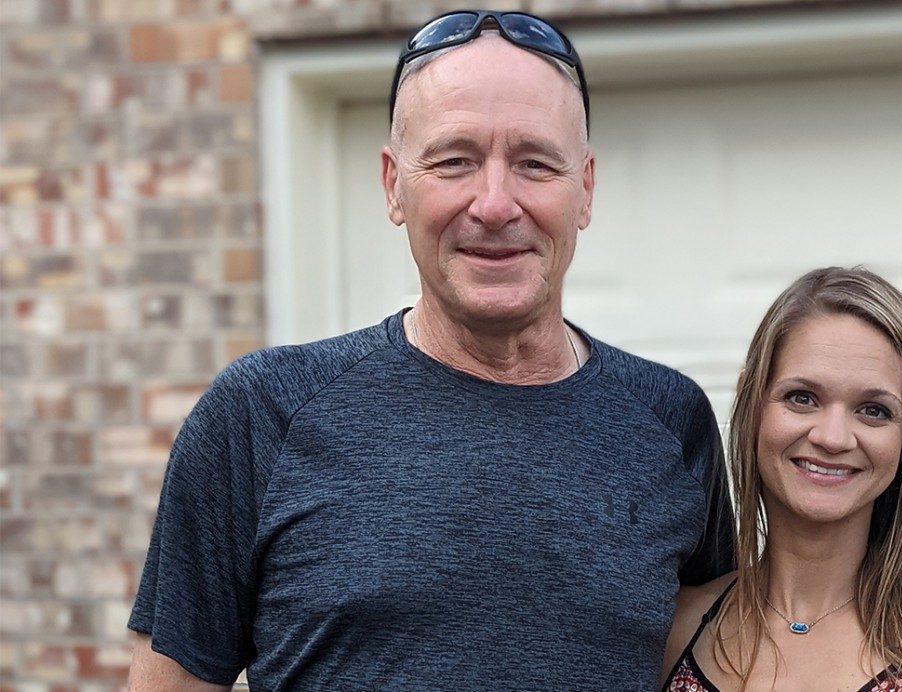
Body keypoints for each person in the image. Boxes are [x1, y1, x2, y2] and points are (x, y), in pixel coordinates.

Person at [126, 10, 733, 689]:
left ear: (584, 189)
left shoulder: (671, 422)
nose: (495, 203)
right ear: (393, 184)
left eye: (535, 163)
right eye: (454, 161)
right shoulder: (261, 414)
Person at [661, 267, 902, 691]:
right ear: (755, 409)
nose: (832, 437)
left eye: (873, 410)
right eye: (802, 398)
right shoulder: (678, 627)